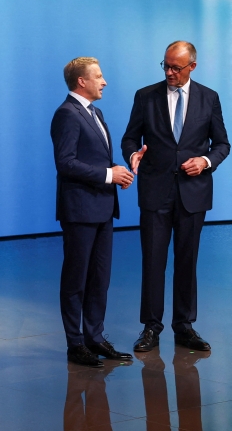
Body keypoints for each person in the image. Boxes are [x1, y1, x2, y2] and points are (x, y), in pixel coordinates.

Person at [121, 41, 229, 353]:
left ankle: (184, 327)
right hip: (155, 193)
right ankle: (150, 328)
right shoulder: (146, 96)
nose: (169, 72)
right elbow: (131, 136)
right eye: (165, 66)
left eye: (176, 68)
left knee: (187, 261)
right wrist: (132, 154)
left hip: (193, 194)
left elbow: (222, 143)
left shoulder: (209, 98)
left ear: (192, 66)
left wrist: (205, 161)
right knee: (153, 262)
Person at [51, 57, 134, 367]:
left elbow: (95, 158)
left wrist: (116, 174)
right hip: (80, 210)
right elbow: (66, 162)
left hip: (102, 208)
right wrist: (109, 175)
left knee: (100, 278)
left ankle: (95, 337)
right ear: (81, 82)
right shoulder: (67, 115)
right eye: (98, 76)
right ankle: (76, 344)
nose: (105, 81)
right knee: (76, 279)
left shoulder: (94, 112)